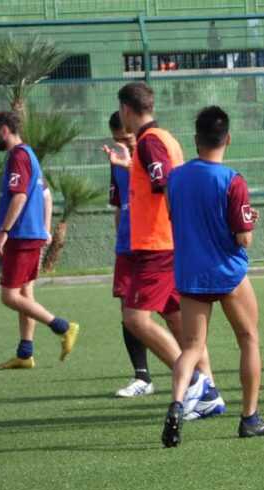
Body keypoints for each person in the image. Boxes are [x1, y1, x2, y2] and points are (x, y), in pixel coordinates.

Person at [162, 106, 264, 447]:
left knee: (191, 347)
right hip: (227, 272)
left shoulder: (175, 178)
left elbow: (173, 214)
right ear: (227, 139)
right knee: (249, 338)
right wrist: (248, 222)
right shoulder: (232, 179)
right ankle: (250, 418)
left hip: (190, 272)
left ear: (195, 139)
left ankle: (176, 404)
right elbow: (243, 238)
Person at [113, 82, 217, 419]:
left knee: (135, 318)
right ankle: (210, 392)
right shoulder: (164, 138)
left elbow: (165, 183)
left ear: (126, 109)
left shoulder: (150, 142)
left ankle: (197, 385)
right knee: (180, 325)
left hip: (158, 246)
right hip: (169, 244)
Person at [0, 111, 79, 369]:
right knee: (25, 294)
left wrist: (3, 232)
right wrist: (44, 229)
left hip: (21, 236)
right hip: (31, 234)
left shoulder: (18, 156)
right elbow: (45, 195)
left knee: (9, 296)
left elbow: (19, 196)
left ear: (5, 130)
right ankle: (25, 353)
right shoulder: (29, 155)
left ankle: (63, 327)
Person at [102, 111, 153, 397]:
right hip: (127, 246)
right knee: (128, 310)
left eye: (126, 138)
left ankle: (196, 374)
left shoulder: (151, 155)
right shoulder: (116, 161)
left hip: (156, 245)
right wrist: (121, 239)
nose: (122, 144)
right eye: (117, 139)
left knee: (173, 313)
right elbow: (120, 205)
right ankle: (142, 376)